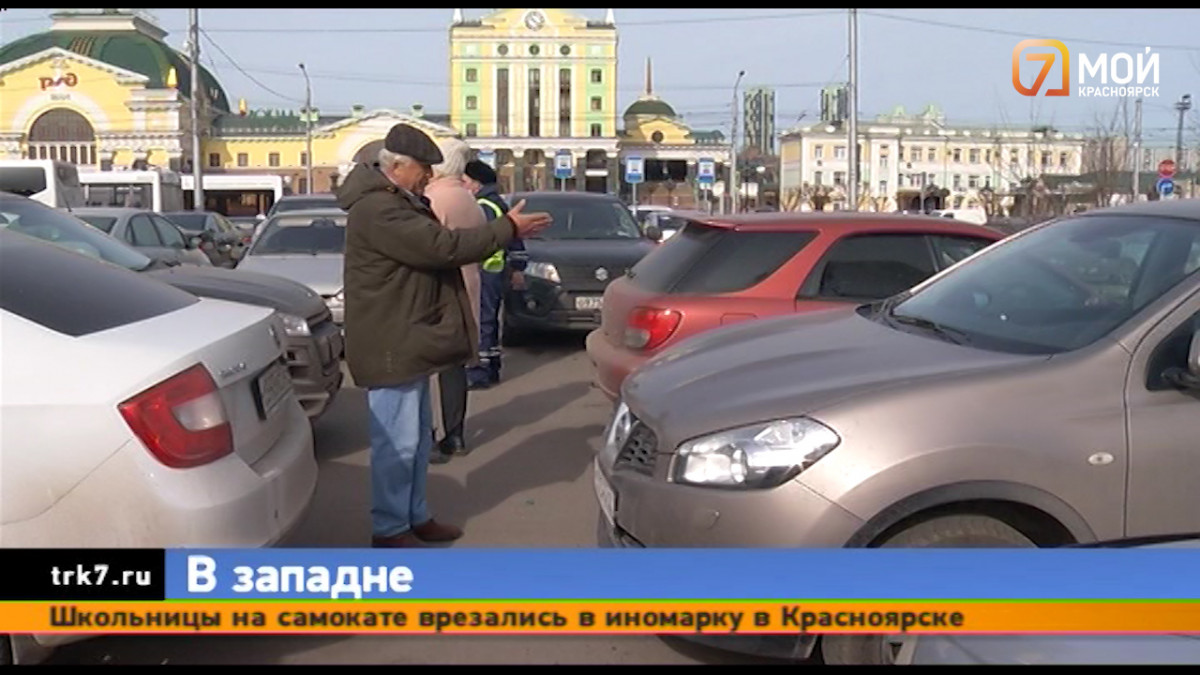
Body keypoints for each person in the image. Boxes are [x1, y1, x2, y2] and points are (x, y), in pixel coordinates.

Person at [337, 123, 551, 548]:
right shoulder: (379, 209)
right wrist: (507, 228)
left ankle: (413, 515)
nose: (429, 176)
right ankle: (389, 527)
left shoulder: (397, 201)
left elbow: (441, 245)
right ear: (396, 166)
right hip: (391, 340)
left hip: (406, 335)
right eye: (423, 168)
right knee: (396, 444)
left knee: (413, 440)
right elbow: (442, 247)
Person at [423, 138, 485, 462]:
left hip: (440, 288)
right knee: (455, 365)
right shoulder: (468, 199)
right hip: (468, 282)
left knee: (430, 365)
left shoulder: (433, 198)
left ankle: (431, 432)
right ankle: (456, 433)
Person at [462, 159, 526, 389]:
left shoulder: (484, 206)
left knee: (482, 321)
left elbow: (486, 239)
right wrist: (518, 267)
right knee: (490, 321)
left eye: (465, 182)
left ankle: (480, 372)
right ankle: (492, 366)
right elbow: (515, 239)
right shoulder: (496, 203)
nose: (463, 186)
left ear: (476, 184)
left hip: (486, 270)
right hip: (495, 270)